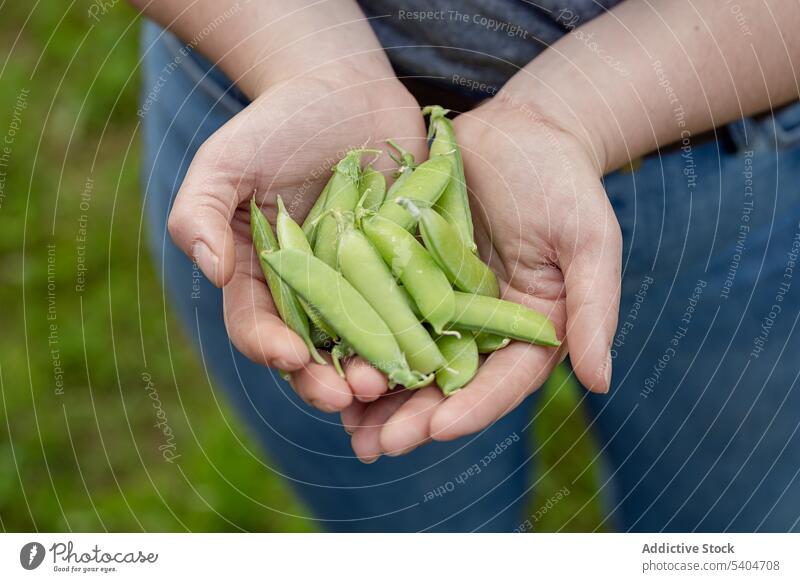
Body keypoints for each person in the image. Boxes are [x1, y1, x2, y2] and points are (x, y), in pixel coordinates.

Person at [132, 0, 800, 531]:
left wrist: (574, 114)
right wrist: (309, 63)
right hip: (260, 85)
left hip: (728, 147)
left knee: (726, 537)